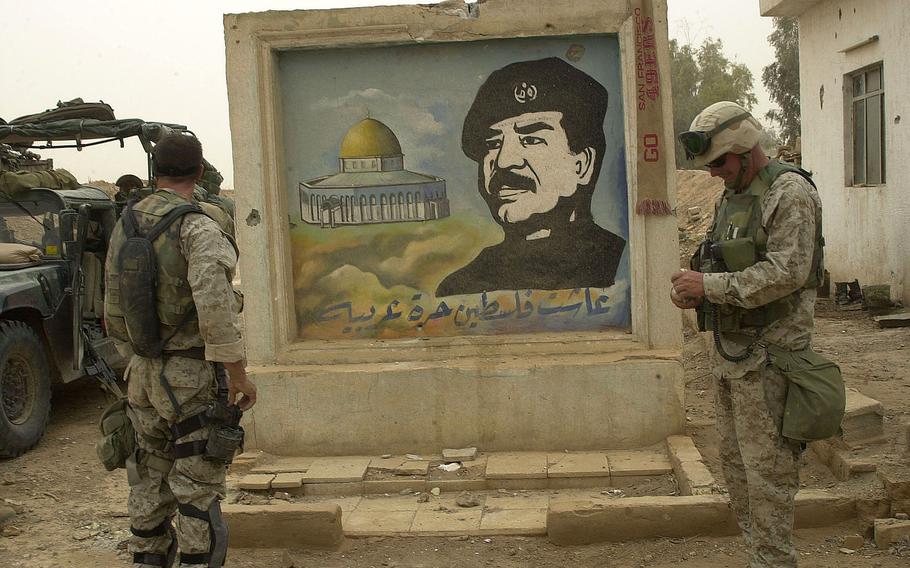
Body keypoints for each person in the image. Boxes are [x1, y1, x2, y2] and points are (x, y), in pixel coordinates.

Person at [671, 101, 824, 568]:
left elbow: (786, 273)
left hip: (771, 362)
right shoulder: (735, 194)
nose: (713, 173)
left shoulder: (788, 192)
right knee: (738, 477)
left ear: (744, 148)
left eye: (719, 162)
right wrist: (697, 291)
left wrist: (710, 286)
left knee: (769, 481)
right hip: (731, 359)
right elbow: (724, 262)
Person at [104, 133, 256, 568]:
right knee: (196, 482)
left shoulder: (126, 222)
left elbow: (112, 306)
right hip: (188, 378)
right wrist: (239, 376)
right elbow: (216, 310)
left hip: (142, 374)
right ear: (199, 171)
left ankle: (147, 557)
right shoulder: (198, 226)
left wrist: (132, 362)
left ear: (155, 172)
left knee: (149, 475)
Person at [435, 57, 626, 297]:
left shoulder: (621, 266)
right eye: (493, 144)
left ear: (582, 165)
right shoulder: (462, 288)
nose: (504, 161)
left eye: (531, 140)